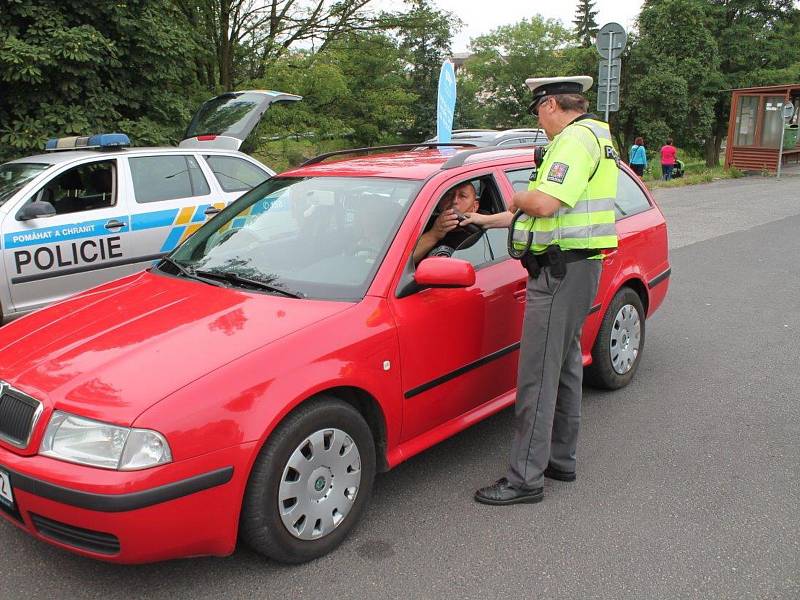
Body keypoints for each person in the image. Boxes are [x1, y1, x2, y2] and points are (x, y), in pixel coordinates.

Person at [467, 75, 619, 506]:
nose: (539, 120)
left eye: (538, 111)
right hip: (575, 268)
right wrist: (483, 221)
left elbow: (543, 204)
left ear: (551, 104)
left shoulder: (574, 140)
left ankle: (524, 479)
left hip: (558, 275)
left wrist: (516, 197)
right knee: (567, 365)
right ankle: (560, 460)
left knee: (537, 376)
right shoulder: (595, 136)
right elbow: (541, 218)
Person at [412, 181, 480, 265]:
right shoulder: (421, 224)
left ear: (474, 207)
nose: (454, 201)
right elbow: (401, 262)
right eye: (449, 195)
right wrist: (434, 234)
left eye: (462, 196)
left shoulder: (480, 236)